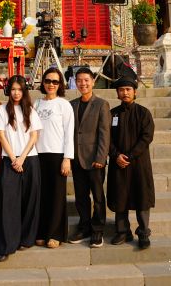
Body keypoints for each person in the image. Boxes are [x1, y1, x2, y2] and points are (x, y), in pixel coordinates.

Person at [0, 75, 42, 262]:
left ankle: (26, 239)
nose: (16, 93)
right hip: (9, 161)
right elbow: (1, 136)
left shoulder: (31, 110)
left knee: (30, 201)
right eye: (13, 89)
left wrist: (22, 158)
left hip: (30, 159)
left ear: (24, 91)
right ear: (8, 90)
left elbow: (34, 136)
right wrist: (14, 159)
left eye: (19, 89)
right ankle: (6, 245)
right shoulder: (2, 110)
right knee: (7, 204)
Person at [106, 72, 155, 250]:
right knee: (120, 197)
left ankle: (143, 232)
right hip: (118, 163)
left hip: (139, 164)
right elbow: (106, 138)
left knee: (142, 197)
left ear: (135, 92)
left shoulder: (143, 113)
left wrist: (130, 155)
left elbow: (146, 137)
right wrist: (116, 155)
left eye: (128, 89)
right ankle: (122, 231)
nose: (125, 93)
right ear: (117, 93)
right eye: (121, 90)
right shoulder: (112, 114)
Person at [68, 67, 111, 248]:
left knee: (98, 197)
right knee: (81, 196)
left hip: (94, 159)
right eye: (79, 80)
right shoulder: (72, 105)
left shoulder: (101, 104)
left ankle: (97, 230)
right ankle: (84, 226)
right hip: (77, 158)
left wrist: (101, 158)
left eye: (86, 80)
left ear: (93, 81)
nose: (83, 84)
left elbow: (104, 133)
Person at [34, 67, 74, 248]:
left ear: (60, 84)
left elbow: (69, 133)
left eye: (55, 81)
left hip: (57, 155)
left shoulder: (63, 105)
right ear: (43, 82)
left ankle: (55, 233)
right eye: (48, 81)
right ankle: (41, 231)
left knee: (56, 196)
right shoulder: (36, 104)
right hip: (38, 155)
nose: (51, 84)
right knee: (41, 195)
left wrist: (67, 158)